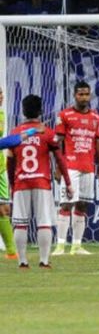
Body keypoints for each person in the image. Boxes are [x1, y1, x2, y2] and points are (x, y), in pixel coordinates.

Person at [7, 95, 73, 269]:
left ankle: (22, 261)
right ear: (41, 110)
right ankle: (44, 261)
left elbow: (10, 162)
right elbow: (59, 159)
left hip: (21, 182)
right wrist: (68, 182)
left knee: (20, 223)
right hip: (42, 182)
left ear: (23, 111)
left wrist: (13, 184)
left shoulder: (15, 133)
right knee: (43, 222)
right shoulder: (47, 132)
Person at [52, 81, 99, 256]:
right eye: (80, 94)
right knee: (66, 204)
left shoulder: (96, 118)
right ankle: (60, 245)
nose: (84, 97)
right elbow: (57, 143)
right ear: (74, 95)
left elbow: (98, 143)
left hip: (88, 167)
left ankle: (76, 246)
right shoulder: (65, 115)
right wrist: (58, 167)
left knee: (82, 205)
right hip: (70, 167)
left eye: (86, 94)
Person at [0, 88, 44, 259]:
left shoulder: (2, 115)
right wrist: (31, 132)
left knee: (4, 209)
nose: (2, 96)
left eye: (1, 93)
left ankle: (12, 253)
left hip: (0, 170)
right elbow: (3, 143)